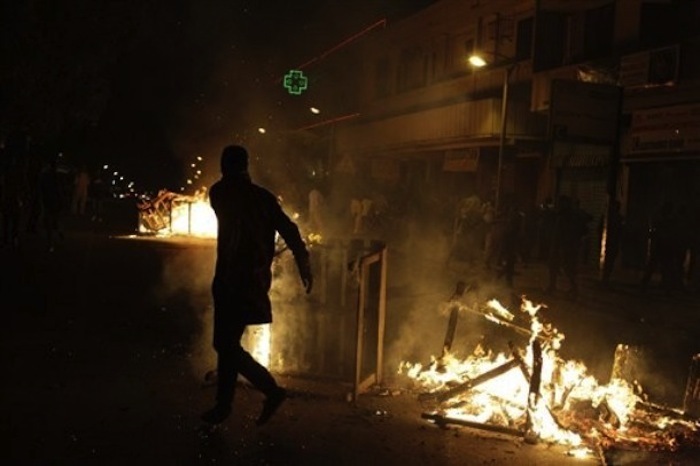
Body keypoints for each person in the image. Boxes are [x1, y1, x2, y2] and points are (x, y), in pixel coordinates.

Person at [201, 144, 313, 426]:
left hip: (231, 281)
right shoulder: (262, 198)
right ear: (246, 166)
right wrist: (303, 262)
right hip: (249, 281)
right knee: (228, 343)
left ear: (225, 167)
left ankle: (271, 391)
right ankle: (223, 407)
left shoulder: (219, 192)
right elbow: (290, 229)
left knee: (224, 344)